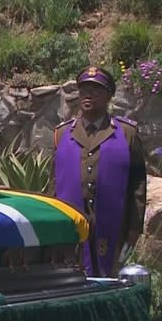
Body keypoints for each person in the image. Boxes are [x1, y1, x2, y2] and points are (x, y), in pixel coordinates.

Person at [52, 66, 147, 277]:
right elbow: (54, 184)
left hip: (113, 227)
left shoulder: (126, 134)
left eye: (96, 90)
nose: (88, 95)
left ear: (108, 96)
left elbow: (138, 184)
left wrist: (133, 230)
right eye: (84, 89)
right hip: (72, 228)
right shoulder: (62, 134)